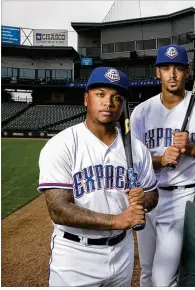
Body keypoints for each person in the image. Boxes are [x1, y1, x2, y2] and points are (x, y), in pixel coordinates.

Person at [37, 67, 159, 287]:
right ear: (86, 99)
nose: (108, 102)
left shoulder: (137, 149)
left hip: (122, 251)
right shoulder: (62, 144)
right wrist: (117, 220)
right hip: (75, 256)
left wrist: (144, 200)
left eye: (116, 97)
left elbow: (152, 195)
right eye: (100, 94)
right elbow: (58, 209)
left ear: (122, 105)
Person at [130, 44, 195, 287]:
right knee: (147, 270)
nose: (172, 74)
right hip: (148, 196)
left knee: (163, 278)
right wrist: (159, 160)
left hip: (182, 198)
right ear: (157, 72)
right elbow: (130, 160)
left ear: (188, 73)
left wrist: (193, 149)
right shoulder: (142, 112)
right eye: (165, 68)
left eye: (178, 68)